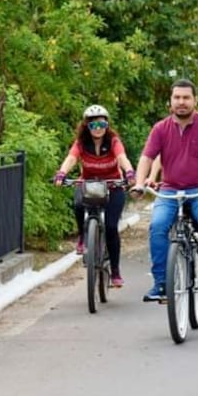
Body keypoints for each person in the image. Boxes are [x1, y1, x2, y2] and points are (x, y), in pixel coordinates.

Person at [132, 79, 198, 300]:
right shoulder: (160, 128)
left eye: (186, 97)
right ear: (170, 102)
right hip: (170, 190)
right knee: (158, 226)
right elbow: (146, 157)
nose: (181, 102)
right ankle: (161, 283)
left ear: (195, 100)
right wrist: (139, 183)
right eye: (177, 98)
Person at [54, 105, 135, 287]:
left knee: (111, 227)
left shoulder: (113, 141)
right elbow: (72, 158)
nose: (98, 128)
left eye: (101, 123)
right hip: (89, 185)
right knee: (77, 204)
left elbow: (122, 158)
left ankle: (115, 271)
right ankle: (83, 236)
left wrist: (129, 173)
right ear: (87, 126)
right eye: (93, 125)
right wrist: (61, 173)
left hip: (113, 186)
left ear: (107, 124)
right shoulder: (81, 143)